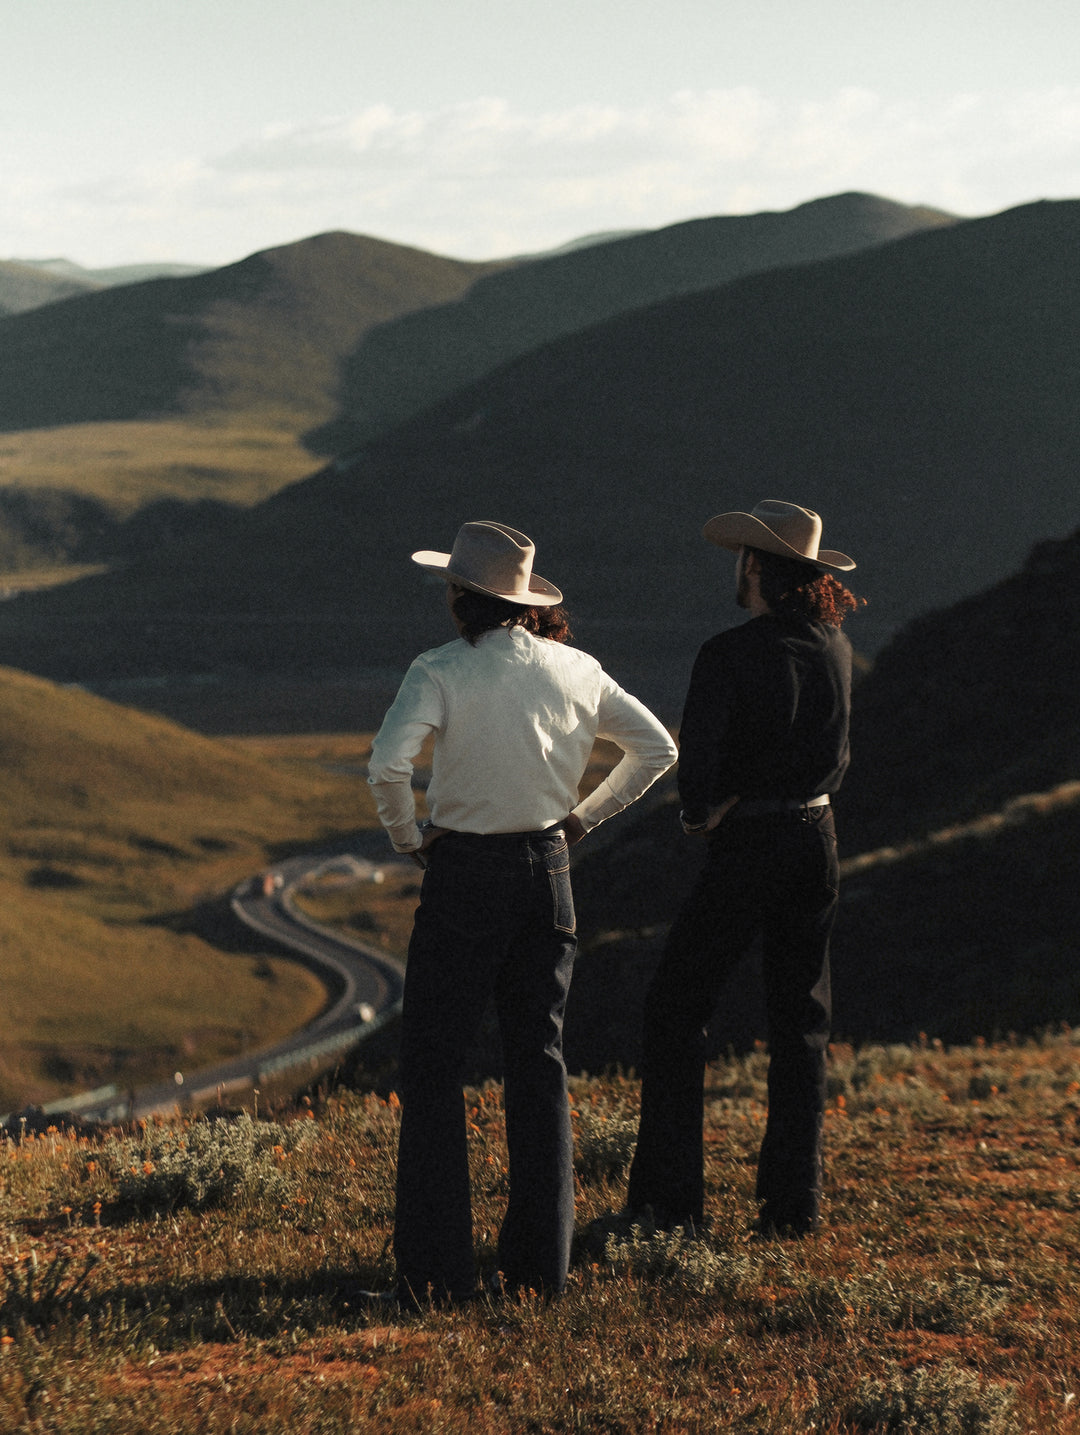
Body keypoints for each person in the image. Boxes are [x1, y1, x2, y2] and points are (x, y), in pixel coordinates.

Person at [367, 520, 677, 1305]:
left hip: (463, 869)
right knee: (537, 1061)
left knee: (435, 1065)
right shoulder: (578, 669)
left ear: (460, 597)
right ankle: (541, 1268)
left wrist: (411, 839)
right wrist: (583, 817)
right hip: (548, 869)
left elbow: (387, 765)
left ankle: (436, 1273)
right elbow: (658, 749)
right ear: (526, 598)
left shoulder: (438, 669)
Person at [625, 499, 860, 1239]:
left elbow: (699, 770)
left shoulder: (727, 653)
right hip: (817, 836)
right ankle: (793, 1207)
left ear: (754, 565)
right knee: (801, 1023)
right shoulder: (836, 647)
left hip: (750, 843)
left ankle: (671, 1201)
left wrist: (704, 813)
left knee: (675, 1008)